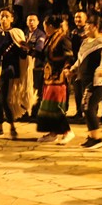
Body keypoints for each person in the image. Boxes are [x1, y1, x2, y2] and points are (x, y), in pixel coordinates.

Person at [0, 7, 33, 139]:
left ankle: (12, 126)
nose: (3, 19)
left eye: (6, 16)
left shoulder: (17, 33)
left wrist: (25, 49)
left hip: (9, 69)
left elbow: (22, 54)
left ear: (12, 19)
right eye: (1, 16)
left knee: (4, 99)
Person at [69, 14, 102, 149]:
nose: (85, 28)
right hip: (86, 80)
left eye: (88, 25)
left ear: (95, 27)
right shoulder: (85, 42)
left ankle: (97, 138)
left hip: (99, 82)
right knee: (86, 107)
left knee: (88, 106)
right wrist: (72, 69)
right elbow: (80, 59)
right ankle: (91, 136)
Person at [35, 15, 75, 145]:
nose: (44, 28)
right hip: (49, 76)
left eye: (45, 26)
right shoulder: (50, 38)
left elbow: (69, 56)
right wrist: (29, 49)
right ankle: (53, 133)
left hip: (58, 77)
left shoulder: (63, 38)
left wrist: (66, 68)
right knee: (48, 107)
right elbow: (44, 56)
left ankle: (67, 132)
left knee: (55, 107)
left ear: (51, 26)